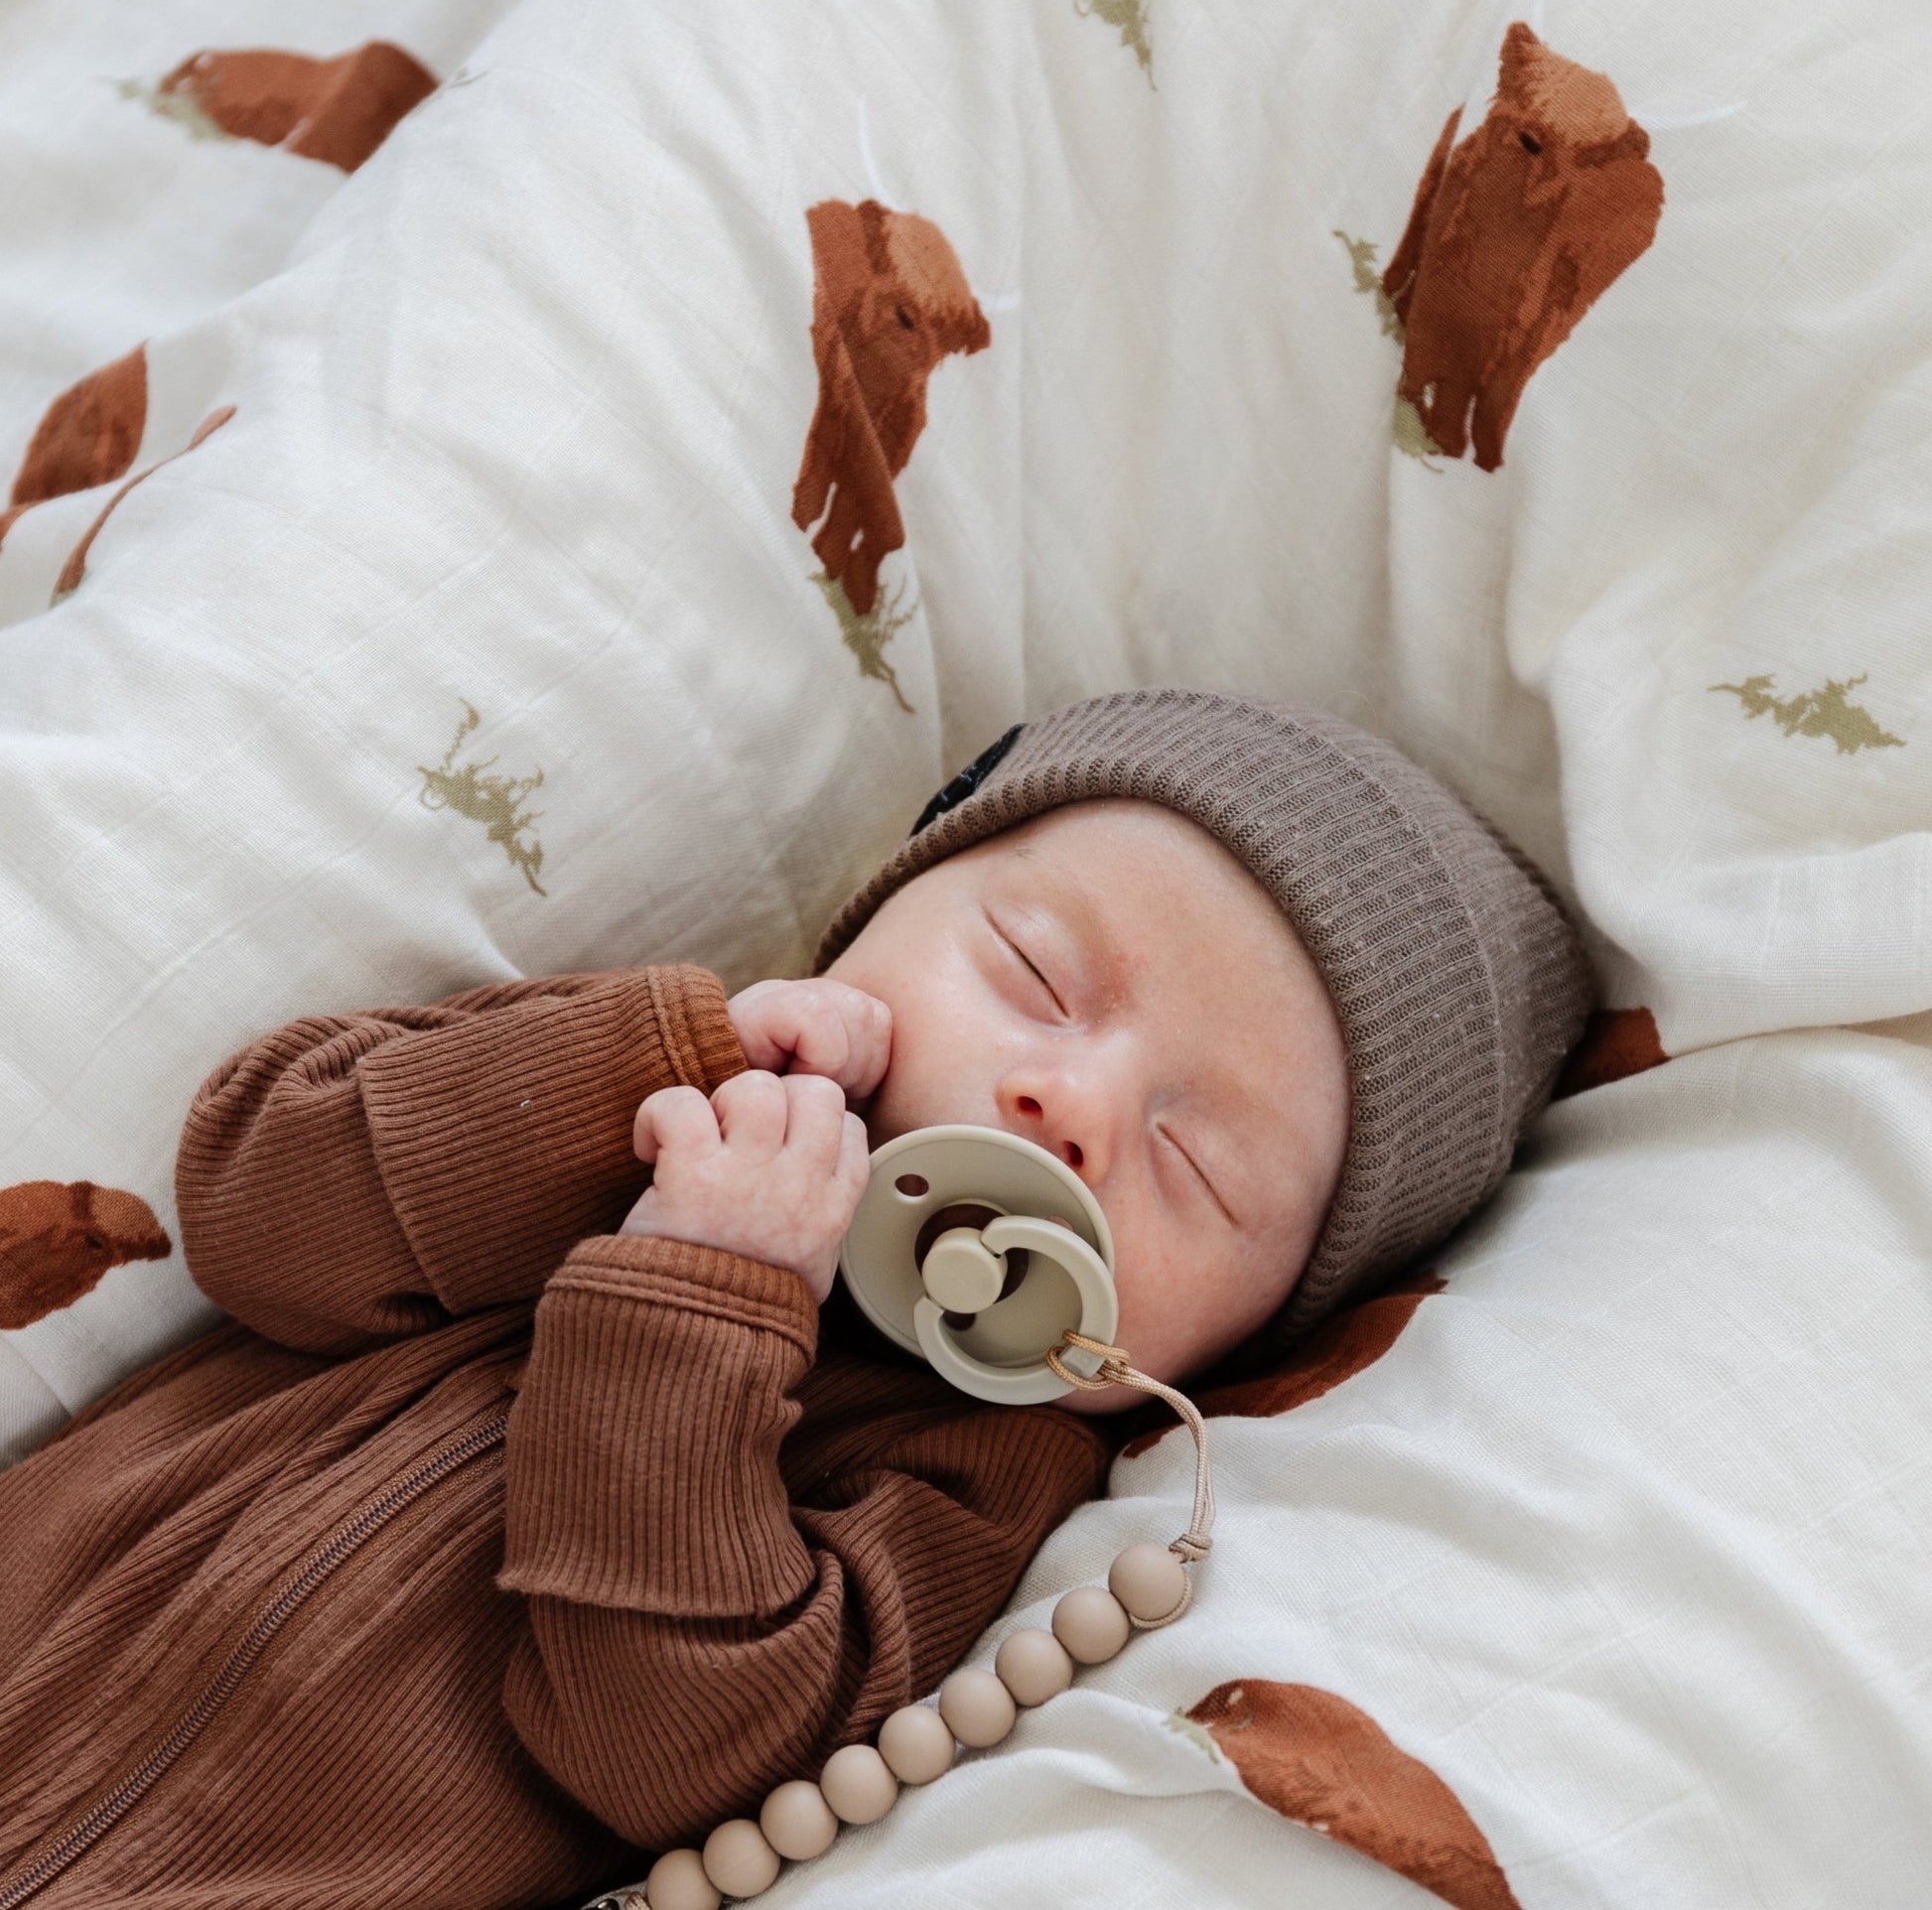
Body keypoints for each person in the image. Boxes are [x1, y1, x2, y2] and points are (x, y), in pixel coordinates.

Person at [0, 688, 1594, 1910]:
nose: (1072, 1107)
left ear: (1250, 1337)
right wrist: (641, 1077)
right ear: (884, 905)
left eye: (1196, 1165)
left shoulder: (973, 1477)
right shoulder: (631, 1094)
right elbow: (257, 1205)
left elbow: (665, 1746)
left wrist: (700, 1303)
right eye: (1035, 973)